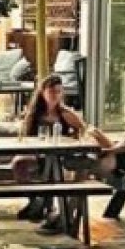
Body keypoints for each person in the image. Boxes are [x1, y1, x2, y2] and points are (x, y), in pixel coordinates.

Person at [14, 74, 88, 225]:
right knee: (18, 163)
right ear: (43, 92)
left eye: (59, 91)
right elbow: (24, 134)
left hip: (59, 155)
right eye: (52, 91)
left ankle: (46, 207)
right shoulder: (34, 113)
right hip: (37, 153)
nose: (55, 95)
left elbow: (84, 129)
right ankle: (35, 201)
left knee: (54, 167)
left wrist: (73, 137)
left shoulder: (65, 113)